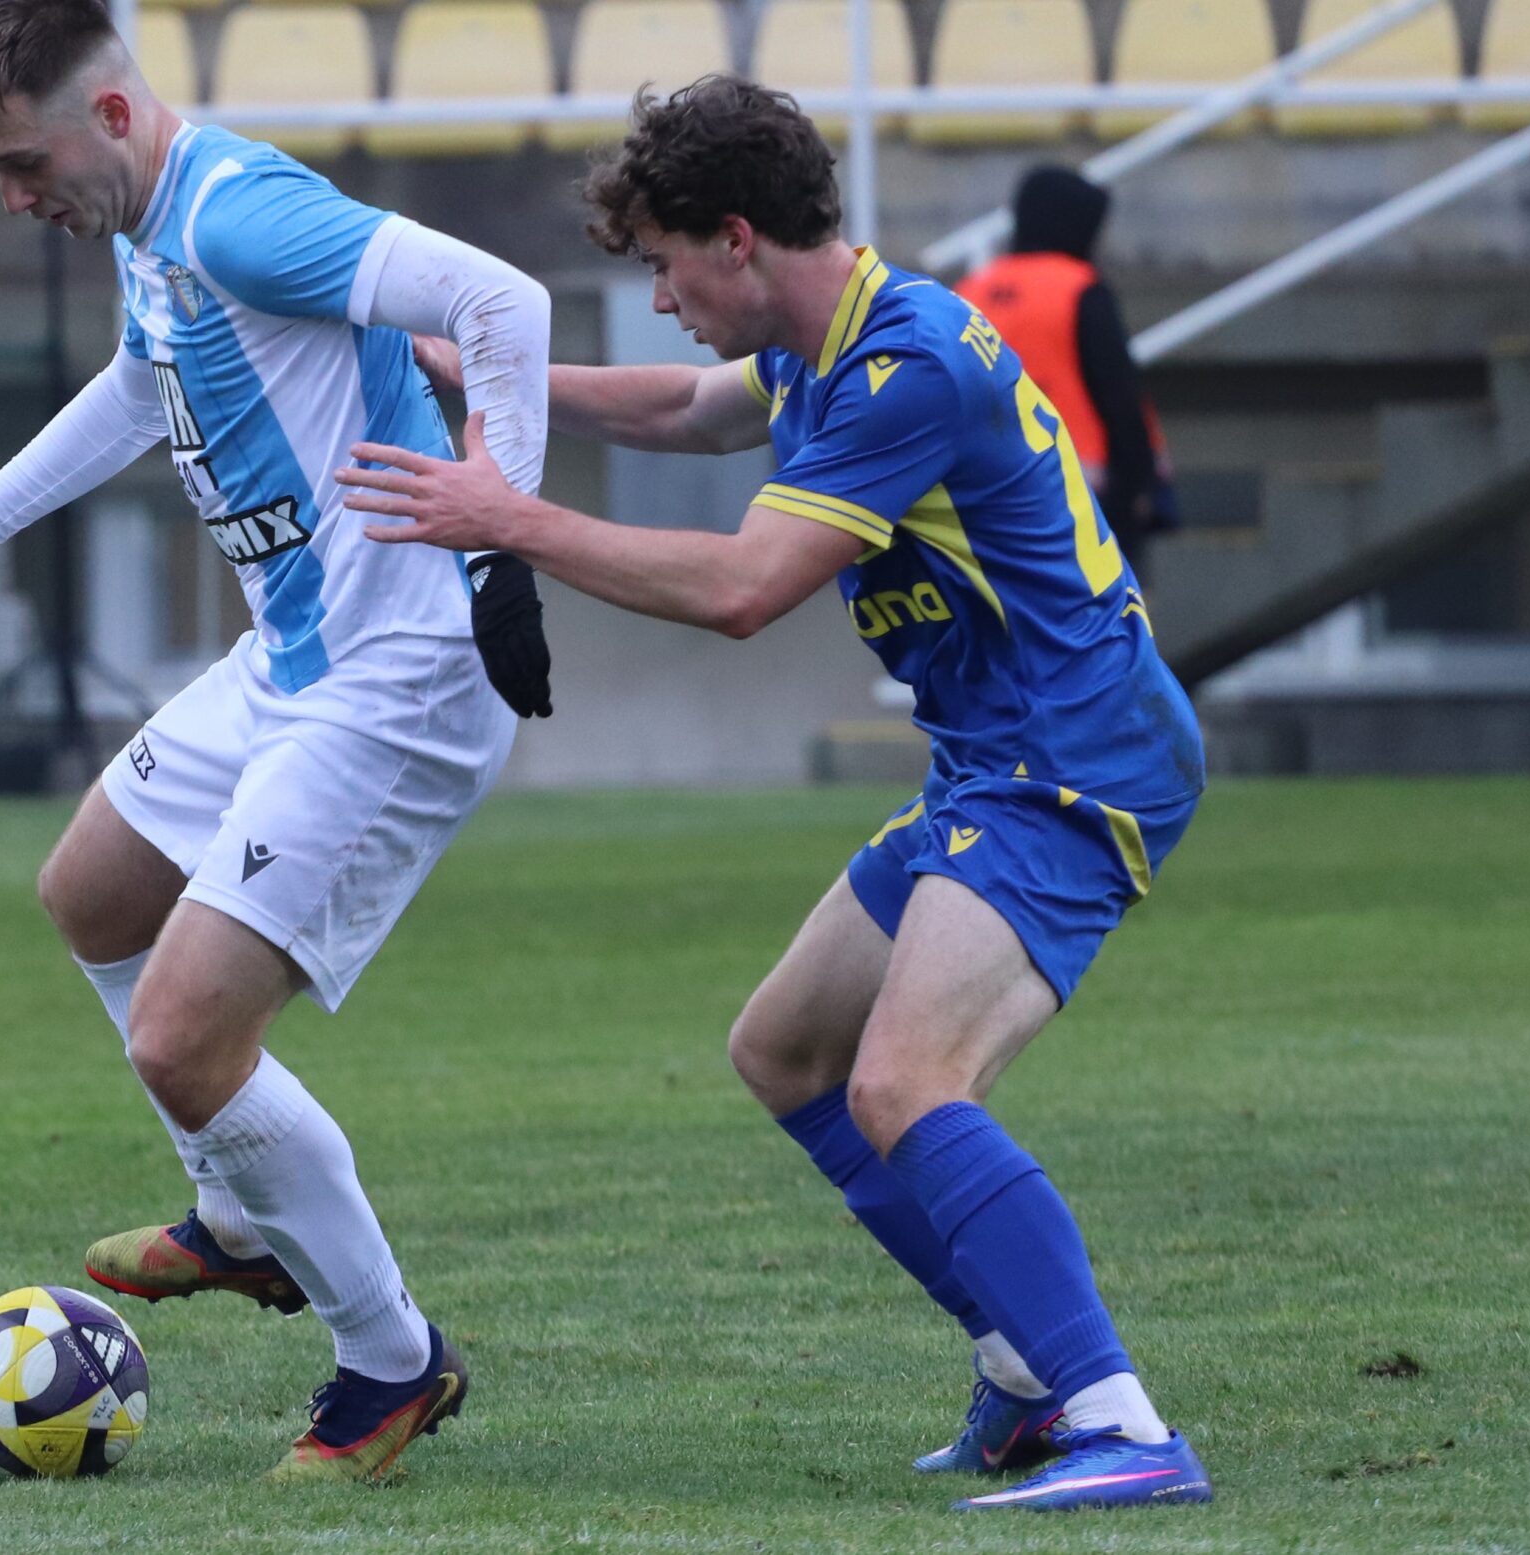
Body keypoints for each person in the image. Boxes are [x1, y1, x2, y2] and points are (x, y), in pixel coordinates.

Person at [337, 77, 1213, 1513]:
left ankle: (1122, 1423)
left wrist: (511, 519)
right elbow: (689, 407)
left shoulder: (903, 366)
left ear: (736, 239)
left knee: (901, 1083)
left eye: (665, 264)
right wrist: (483, 376)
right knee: (786, 1051)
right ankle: (1022, 1364)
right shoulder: (828, 339)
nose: (662, 298)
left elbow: (745, 588)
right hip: (998, 758)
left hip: (1074, 760)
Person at [0, 0, 555, 1483]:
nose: (17, 199)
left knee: (183, 1035)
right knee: (92, 890)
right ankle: (238, 1216)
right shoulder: (150, 222)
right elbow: (136, 384)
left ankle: (393, 1359)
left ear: (110, 114)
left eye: (26, 164)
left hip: (399, 679)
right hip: (292, 660)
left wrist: (505, 537)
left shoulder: (237, 211)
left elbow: (504, 301)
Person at [955, 167, 1173, 571]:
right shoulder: (1079, 287)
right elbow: (1118, 395)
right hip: (1077, 489)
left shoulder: (970, 290)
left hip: (982, 493)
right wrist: (1141, 483)